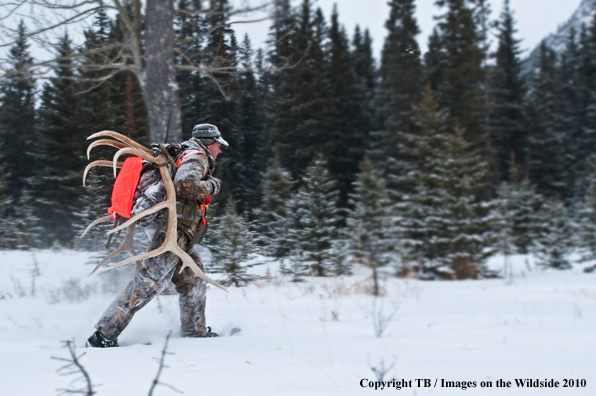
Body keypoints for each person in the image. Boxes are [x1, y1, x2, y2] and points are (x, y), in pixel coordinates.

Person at [87, 123, 228, 348]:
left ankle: (195, 331)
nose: (220, 150)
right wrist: (212, 186)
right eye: (218, 145)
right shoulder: (197, 156)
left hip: (176, 230)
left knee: (193, 281)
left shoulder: (185, 152)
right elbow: (184, 185)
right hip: (172, 230)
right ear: (209, 143)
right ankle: (104, 333)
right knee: (148, 282)